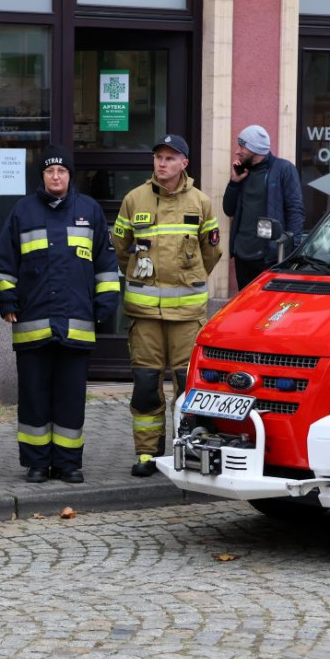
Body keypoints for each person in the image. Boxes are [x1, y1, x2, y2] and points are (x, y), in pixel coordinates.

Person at [0, 145, 120, 483]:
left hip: (76, 325)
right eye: (50, 171)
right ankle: (36, 463)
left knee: (70, 399)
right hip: (32, 325)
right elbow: (5, 263)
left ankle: (67, 463)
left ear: (69, 176)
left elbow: (106, 266)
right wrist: (6, 303)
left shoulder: (89, 210)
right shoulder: (22, 211)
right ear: (42, 176)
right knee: (34, 398)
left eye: (61, 171)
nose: (55, 176)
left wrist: (105, 307)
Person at [112, 134, 222, 477]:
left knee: (188, 385)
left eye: (170, 158)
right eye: (159, 156)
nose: (162, 163)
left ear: (184, 163)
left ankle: (187, 448)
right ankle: (147, 453)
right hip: (144, 316)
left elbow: (211, 252)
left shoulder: (201, 203)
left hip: (187, 316)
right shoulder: (134, 199)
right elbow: (120, 246)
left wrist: (187, 281)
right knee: (145, 384)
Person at [223, 124, 304, 290]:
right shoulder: (243, 173)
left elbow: (295, 211)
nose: (238, 151)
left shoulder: (283, 169)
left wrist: (290, 253)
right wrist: (234, 183)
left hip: (270, 257)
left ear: (255, 149)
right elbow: (228, 210)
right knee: (246, 310)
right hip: (242, 256)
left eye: (242, 146)